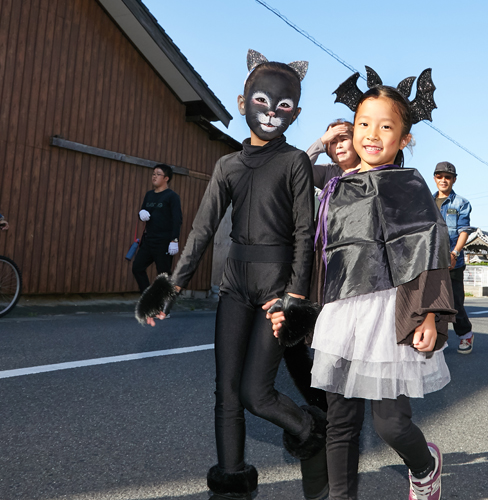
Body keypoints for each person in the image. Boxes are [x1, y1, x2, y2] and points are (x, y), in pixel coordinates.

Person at [137, 50, 328, 500]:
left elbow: (305, 233)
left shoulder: (295, 162)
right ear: (243, 103)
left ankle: (311, 429)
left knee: (256, 394)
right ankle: (231, 483)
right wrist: (170, 287)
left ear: (296, 113)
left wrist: (295, 297)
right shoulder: (227, 165)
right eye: (262, 101)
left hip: (276, 288)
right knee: (225, 393)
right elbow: (202, 230)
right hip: (235, 287)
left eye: (283, 107)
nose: (271, 113)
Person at [271, 69, 454, 500]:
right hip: (341, 312)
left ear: (404, 138)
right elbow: (317, 250)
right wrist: (294, 304)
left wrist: (429, 314)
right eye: (363, 124)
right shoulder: (335, 187)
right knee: (341, 422)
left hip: (391, 313)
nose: (372, 134)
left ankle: (425, 466)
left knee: (391, 424)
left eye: (386, 127)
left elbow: (428, 248)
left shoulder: (410, 185)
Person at [433, 161, 475, 354]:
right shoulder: (427, 201)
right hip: (431, 260)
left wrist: (454, 253)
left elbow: (463, 231)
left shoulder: (461, 203)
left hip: (453, 261)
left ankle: (466, 334)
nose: (443, 180)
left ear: (454, 180)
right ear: (435, 178)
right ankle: (437, 339)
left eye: (448, 177)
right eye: (440, 176)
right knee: (432, 302)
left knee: (455, 302)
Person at [132, 164, 182, 292]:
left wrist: (174, 240)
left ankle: (165, 303)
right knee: (137, 268)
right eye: (153, 174)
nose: (154, 177)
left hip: (164, 241)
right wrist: (141, 214)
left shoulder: (172, 196)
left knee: (163, 275)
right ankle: (149, 298)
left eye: (158, 174)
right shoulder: (149, 195)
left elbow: (177, 219)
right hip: (148, 240)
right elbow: (143, 211)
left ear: (166, 178)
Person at [306, 119, 360, 189]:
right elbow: (301, 168)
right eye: (333, 142)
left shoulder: (370, 168)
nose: (339, 146)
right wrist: (322, 141)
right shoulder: (327, 172)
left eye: (343, 139)